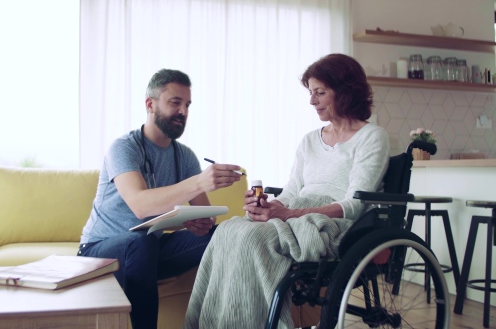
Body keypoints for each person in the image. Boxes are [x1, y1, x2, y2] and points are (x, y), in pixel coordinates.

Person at [183, 54, 390, 329]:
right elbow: (291, 192)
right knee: (228, 230)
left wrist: (289, 212)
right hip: (299, 211)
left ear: (345, 91)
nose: (312, 101)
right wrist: (267, 206)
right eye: (311, 92)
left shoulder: (371, 137)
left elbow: (354, 204)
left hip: (334, 222)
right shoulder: (309, 141)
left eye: (320, 92)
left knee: (252, 240)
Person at [78, 69, 243, 329]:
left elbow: (204, 216)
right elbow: (140, 205)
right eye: (175, 102)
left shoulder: (185, 156)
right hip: (100, 251)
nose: (183, 111)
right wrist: (199, 180)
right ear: (150, 104)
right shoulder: (124, 147)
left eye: (187, 105)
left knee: (224, 235)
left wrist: (200, 223)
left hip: (149, 251)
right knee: (140, 243)